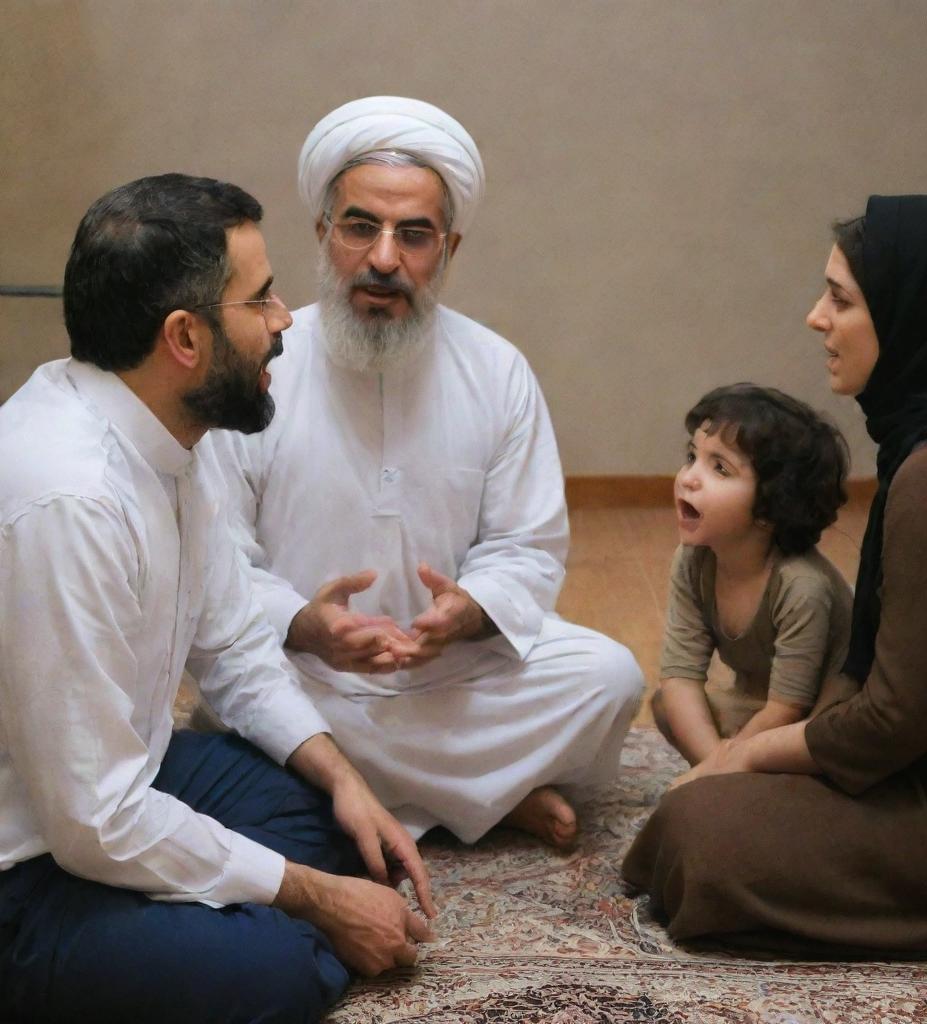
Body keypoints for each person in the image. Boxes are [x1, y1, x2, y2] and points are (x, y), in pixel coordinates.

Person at [0, 174, 437, 1024]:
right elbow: (93, 821)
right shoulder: (70, 499)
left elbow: (234, 645)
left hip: (106, 786)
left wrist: (345, 780)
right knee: (266, 973)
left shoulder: (167, 434)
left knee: (317, 809)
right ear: (185, 338)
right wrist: (315, 901)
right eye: (262, 299)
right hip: (27, 863)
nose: (283, 322)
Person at [202, 96, 644, 850]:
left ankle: (368, 786)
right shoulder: (258, 361)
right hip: (309, 670)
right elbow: (219, 562)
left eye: (413, 235)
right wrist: (306, 624)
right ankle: (490, 796)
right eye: (360, 226)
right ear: (322, 232)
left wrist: (468, 611)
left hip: (447, 675)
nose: (383, 258)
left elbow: (527, 547)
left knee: (610, 677)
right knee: (238, 694)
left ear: (449, 249)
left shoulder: (497, 369)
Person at [623, 194, 927, 956]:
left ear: (913, 314)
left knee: (695, 834)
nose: (816, 317)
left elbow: (892, 722)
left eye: (840, 299)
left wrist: (741, 758)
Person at [653, 384, 852, 765]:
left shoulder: (801, 585)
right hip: (757, 709)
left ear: (769, 509)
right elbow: (679, 677)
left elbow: (788, 709)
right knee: (668, 705)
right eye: (692, 456)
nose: (689, 477)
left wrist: (722, 767)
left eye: (720, 468)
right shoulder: (693, 560)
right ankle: (732, 779)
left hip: (814, 721)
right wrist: (717, 763)